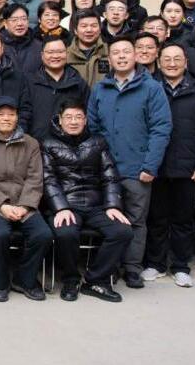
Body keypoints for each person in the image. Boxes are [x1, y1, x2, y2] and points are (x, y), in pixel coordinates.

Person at [87, 36, 172, 289]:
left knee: (135, 220)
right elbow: (93, 128)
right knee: (110, 221)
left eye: (126, 52)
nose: (122, 56)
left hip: (137, 168)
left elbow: (161, 128)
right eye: (116, 53)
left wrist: (150, 165)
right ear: (109, 58)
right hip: (106, 170)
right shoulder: (100, 89)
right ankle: (110, 267)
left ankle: (133, 268)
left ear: (136, 56)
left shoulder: (152, 88)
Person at [41, 99, 133, 302]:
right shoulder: (48, 143)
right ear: (60, 120)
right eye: (68, 117)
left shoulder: (98, 142)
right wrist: (61, 208)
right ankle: (71, 280)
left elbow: (110, 176)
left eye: (78, 117)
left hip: (96, 205)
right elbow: (48, 180)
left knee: (122, 231)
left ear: (85, 120)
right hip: (66, 205)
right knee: (66, 233)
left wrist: (113, 205)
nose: (73, 121)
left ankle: (95, 280)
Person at [144, 42, 195, 287]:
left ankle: (180, 266)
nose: (172, 63)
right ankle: (155, 263)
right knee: (156, 219)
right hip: (157, 166)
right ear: (158, 61)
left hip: (188, 168)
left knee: (184, 220)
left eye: (177, 59)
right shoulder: (150, 88)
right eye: (167, 59)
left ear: (186, 62)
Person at [0, 96, 51, 302]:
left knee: (42, 234)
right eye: (1, 114)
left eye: (11, 114)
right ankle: (0, 281)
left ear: (17, 117)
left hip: (25, 204)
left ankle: (24, 279)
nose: (6, 118)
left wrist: (24, 206)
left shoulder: (31, 143)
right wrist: (2, 206)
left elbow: (35, 178)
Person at [28, 35, 89, 141]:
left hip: (71, 145)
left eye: (60, 52)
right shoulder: (30, 82)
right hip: (37, 144)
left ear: (67, 53)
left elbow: (88, 115)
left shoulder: (78, 82)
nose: (55, 56)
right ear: (42, 55)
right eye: (50, 52)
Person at [66, 10, 109, 87]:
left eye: (94, 26)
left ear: (100, 29)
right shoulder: (65, 55)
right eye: (84, 26)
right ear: (75, 30)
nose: (89, 30)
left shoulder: (110, 52)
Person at [1, 3, 42, 77]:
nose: (20, 23)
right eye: (14, 20)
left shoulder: (39, 46)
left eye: (23, 19)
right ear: (5, 24)